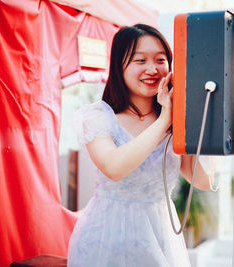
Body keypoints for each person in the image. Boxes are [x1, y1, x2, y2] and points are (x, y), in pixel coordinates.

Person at [68, 23, 213, 267]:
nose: (152, 69)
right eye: (140, 60)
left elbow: (203, 181)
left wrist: (200, 119)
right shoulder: (98, 117)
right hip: (107, 238)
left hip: (161, 237)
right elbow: (114, 167)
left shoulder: (178, 121)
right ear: (119, 65)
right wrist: (165, 119)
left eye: (160, 60)